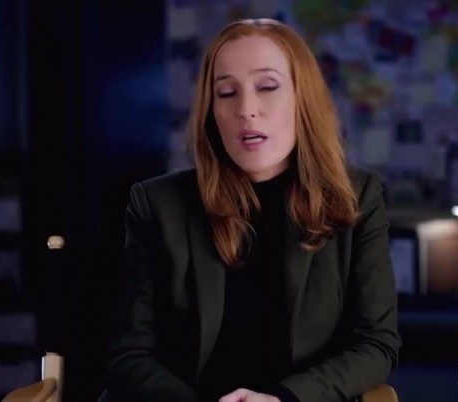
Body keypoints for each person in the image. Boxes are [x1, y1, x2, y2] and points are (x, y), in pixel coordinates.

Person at [103, 18, 401, 402]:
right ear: (211, 112)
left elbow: (376, 345)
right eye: (226, 92)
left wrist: (283, 398)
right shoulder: (157, 204)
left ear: (303, 99)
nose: (246, 110)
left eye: (267, 87)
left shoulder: (357, 196)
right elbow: (129, 356)